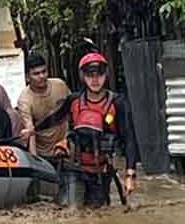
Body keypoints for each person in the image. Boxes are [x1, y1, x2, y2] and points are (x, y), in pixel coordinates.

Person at [34, 52, 138, 208]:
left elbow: (129, 139)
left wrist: (130, 174)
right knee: (72, 211)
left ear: (106, 75)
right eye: (90, 75)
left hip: (101, 171)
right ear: (83, 77)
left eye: (99, 74)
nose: (95, 80)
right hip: (73, 167)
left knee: (97, 214)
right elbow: (55, 118)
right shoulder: (74, 101)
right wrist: (32, 130)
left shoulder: (118, 103)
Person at [16, 54, 70, 158]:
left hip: (66, 148)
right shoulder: (25, 100)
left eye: (44, 71)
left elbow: (73, 109)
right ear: (27, 77)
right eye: (36, 73)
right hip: (45, 155)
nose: (41, 76)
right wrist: (35, 160)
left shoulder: (60, 85)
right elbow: (30, 131)